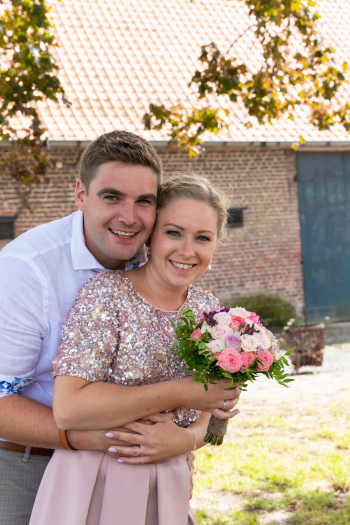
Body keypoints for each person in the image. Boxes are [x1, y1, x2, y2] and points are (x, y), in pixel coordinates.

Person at [0, 131, 240, 524]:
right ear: (80, 194)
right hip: (25, 458)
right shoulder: (26, 269)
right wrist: (92, 439)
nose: (129, 217)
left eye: (144, 202)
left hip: (153, 469)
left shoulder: (173, 281)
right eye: (112, 197)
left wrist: (191, 432)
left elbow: (209, 403)